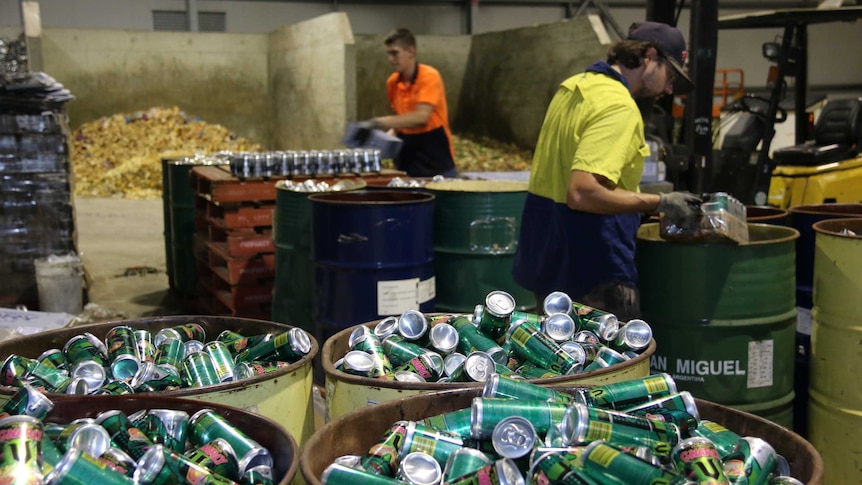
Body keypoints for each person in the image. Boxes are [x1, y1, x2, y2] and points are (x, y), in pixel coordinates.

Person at [512, 21, 702, 322]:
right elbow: (582, 192)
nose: (669, 89)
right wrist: (660, 202)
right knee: (609, 367)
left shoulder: (574, 88)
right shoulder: (618, 107)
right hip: (593, 268)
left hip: (549, 259)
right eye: (671, 76)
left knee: (561, 361)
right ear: (649, 57)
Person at [354, 28, 457, 178]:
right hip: (408, 160)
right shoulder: (392, 83)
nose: (390, 59)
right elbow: (401, 122)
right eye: (388, 54)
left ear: (411, 51)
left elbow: (421, 117)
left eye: (395, 53)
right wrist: (376, 146)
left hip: (435, 160)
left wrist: (378, 122)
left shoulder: (429, 77)